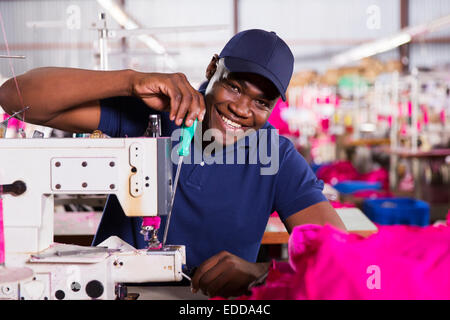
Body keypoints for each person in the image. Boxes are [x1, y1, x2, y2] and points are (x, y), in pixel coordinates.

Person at [0, 29, 346, 298]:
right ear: (213, 69)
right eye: (235, 87)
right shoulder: (153, 114)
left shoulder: (277, 158)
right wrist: (129, 82)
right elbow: (15, 96)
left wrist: (261, 273)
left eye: (261, 103)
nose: (242, 109)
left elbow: (340, 258)